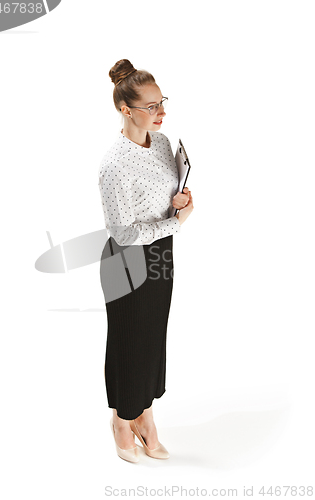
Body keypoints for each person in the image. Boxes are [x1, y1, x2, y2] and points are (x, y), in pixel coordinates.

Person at [98, 59, 194, 463]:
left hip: (159, 253)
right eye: (152, 106)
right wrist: (175, 223)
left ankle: (144, 413)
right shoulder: (113, 165)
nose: (161, 112)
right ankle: (123, 418)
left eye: (162, 103)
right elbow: (124, 233)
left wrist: (179, 201)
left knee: (153, 337)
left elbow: (165, 194)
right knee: (128, 341)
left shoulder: (162, 143)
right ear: (127, 110)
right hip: (126, 260)